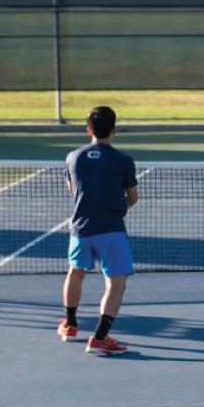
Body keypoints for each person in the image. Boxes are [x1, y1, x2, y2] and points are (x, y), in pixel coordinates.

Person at [59, 105, 138, 356]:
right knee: (116, 283)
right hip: (112, 231)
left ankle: (70, 324)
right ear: (114, 130)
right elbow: (133, 198)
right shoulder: (124, 161)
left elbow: (72, 189)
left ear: (88, 130)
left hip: (80, 230)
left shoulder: (73, 157)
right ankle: (100, 337)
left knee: (75, 272)